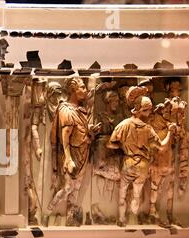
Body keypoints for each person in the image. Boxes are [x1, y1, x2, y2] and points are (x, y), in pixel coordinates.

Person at [108, 86, 176, 227]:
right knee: (136, 195)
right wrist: (170, 132)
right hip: (143, 166)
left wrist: (124, 147)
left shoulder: (124, 124)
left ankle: (121, 219)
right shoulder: (148, 129)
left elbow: (111, 144)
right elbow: (162, 147)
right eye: (148, 110)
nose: (150, 112)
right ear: (142, 110)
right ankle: (132, 219)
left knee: (122, 194)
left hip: (128, 162)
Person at [45, 77, 101, 227]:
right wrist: (68, 158)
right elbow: (65, 136)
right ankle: (48, 211)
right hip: (72, 154)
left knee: (76, 188)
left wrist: (90, 132)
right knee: (68, 187)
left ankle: (70, 217)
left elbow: (80, 132)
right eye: (82, 88)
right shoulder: (67, 110)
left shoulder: (81, 110)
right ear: (73, 90)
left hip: (83, 151)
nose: (85, 90)